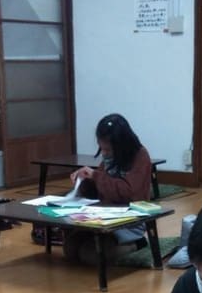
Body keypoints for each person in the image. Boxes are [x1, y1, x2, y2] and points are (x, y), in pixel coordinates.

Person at [63, 113, 154, 263]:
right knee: (70, 248)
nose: (104, 154)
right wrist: (84, 181)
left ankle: (137, 243)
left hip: (129, 219)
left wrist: (96, 176)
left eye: (108, 150)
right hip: (105, 215)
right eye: (102, 149)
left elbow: (129, 193)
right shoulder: (109, 159)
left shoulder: (140, 156)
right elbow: (97, 191)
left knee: (89, 254)